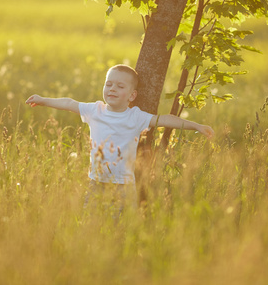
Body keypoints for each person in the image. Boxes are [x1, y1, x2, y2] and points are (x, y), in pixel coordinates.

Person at [26, 64, 214, 212]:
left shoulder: (136, 116)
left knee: (120, 229)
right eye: (109, 84)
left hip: (123, 186)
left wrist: (196, 126)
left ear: (132, 95)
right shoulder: (95, 110)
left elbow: (165, 119)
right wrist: (43, 100)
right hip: (96, 182)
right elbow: (69, 103)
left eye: (120, 86)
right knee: (90, 224)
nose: (112, 89)